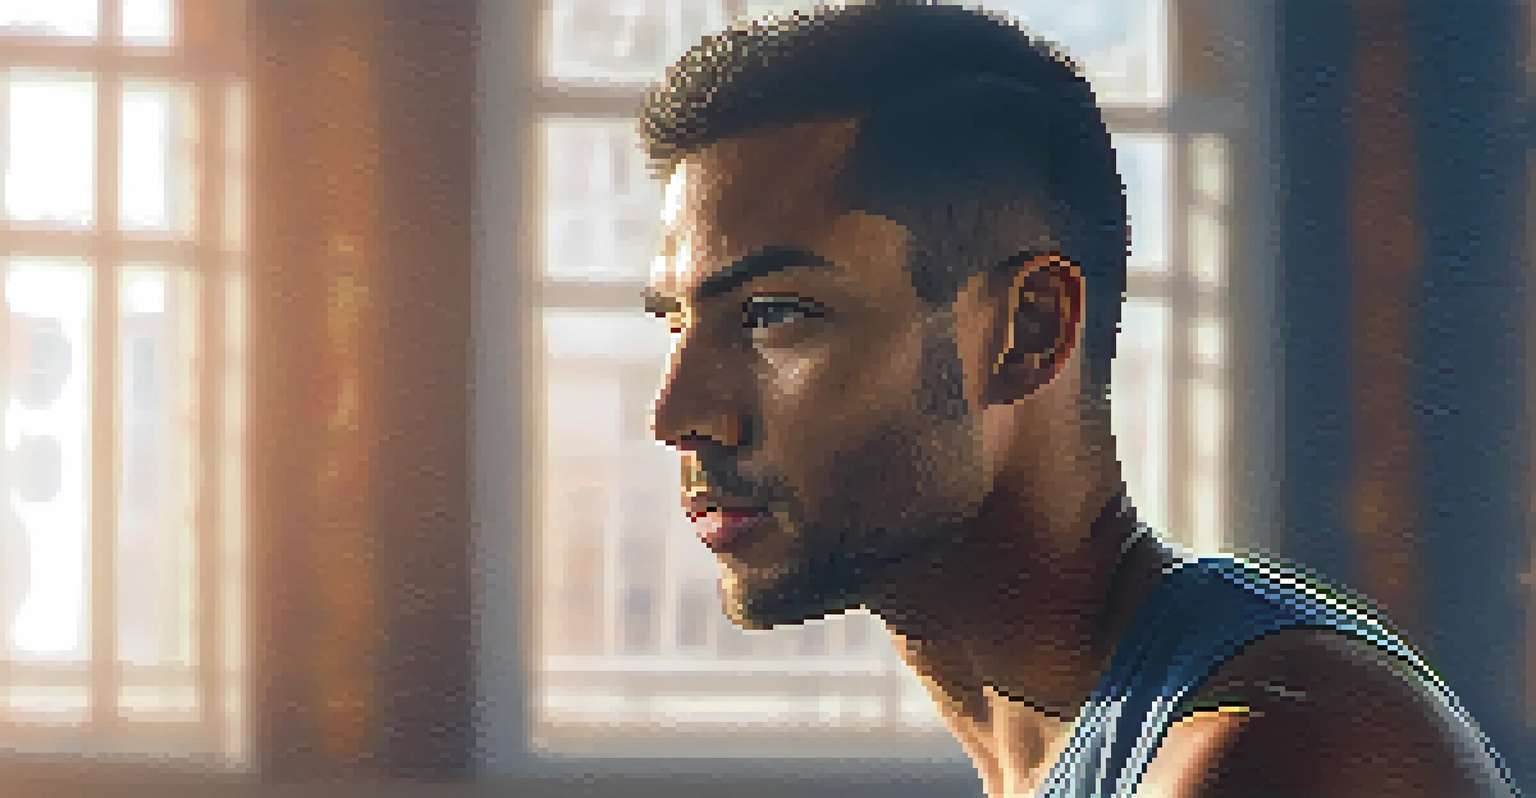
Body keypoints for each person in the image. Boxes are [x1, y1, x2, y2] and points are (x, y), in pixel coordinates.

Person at [640, 2, 1521, 795]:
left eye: (774, 315)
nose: (679, 413)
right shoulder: (1092, 738)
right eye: (675, 322)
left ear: (1027, 331)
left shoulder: (1269, 756)